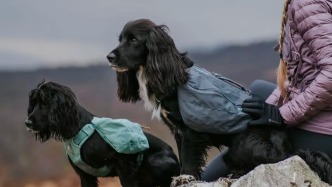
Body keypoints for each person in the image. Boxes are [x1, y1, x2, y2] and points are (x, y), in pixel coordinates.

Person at [202, 0, 332, 181]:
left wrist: (282, 116)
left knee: (221, 165)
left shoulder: (307, 3)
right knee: (257, 92)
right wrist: (268, 111)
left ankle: (204, 180)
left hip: (324, 132)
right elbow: (300, 79)